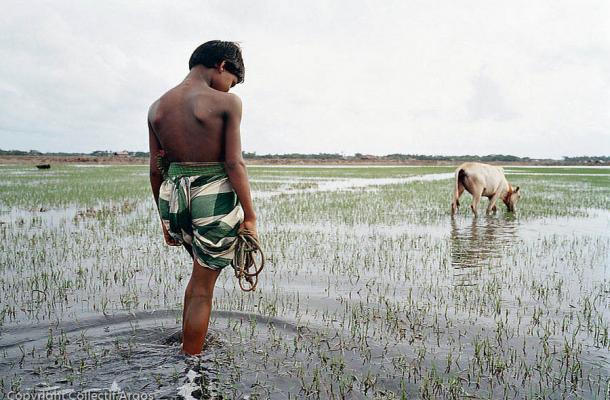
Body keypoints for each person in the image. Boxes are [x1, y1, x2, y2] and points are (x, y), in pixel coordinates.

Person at [148, 40, 257, 355]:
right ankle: (192, 366)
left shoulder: (157, 107)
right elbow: (233, 163)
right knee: (202, 288)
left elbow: (157, 170)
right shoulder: (227, 103)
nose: (230, 89)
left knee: (198, 277)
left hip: (173, 198)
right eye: (232, 82)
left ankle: (187, 346)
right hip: (211, 195)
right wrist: (250, 216)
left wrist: (164, 220)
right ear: (222, 66)